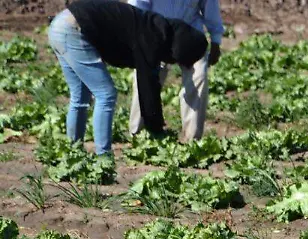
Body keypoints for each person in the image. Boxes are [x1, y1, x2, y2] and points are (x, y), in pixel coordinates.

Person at [48, 0, 208, 156]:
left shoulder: (154, 27)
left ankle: (73, 151)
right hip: (74, 29)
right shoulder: (152, 37)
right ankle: (103, 157)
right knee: (106, 94)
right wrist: (156, 129)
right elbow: (148, 87)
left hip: (60, 24)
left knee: (81, 96)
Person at [127, 0, 223, 142]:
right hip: (156, 31)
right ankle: (138, 134)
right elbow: (137, 6)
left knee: (199, 76)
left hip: (190, 32)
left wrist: (216, 40)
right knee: (145, 79)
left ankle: (192, 139)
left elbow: (211, 9)